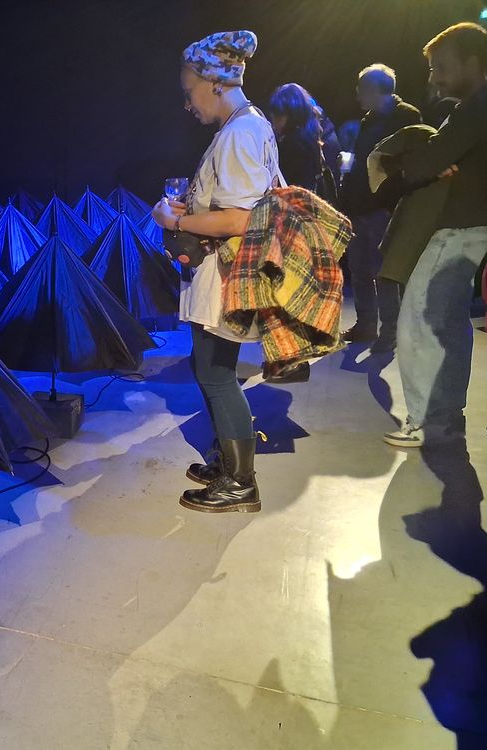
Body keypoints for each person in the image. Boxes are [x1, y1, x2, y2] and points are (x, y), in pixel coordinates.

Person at [150, 30, 282, 514]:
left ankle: (240, 483)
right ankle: (229, 463)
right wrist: (193, 209)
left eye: (190, 92)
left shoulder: (240, 133)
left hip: (227, 273)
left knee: (215, 372)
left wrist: (175, 221)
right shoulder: (248, 125)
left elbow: (240, 219)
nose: (188, 103)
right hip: (225, 269)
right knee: (211, 368)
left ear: (215, 83)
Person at [383, 22, 487, 448]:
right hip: (469, 230)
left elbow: (420, 165)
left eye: (440, 67)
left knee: (419, 323)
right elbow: (431, 161)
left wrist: (417, 161)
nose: (434, 78)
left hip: (458, 230)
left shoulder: (476, 108)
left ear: (473, 63)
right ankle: (445, 419)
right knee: (448, 325)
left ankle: (428, 421)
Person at [340, 63, 423, 352]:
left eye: (361, 89)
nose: (357, 95)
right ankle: (365, 326)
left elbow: (410, 164)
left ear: (375, 89)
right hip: (361, 206)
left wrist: (392, 199)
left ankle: (390, 332)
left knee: (385, 273)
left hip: (385, 207)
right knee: (359, 268)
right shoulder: (369, 119)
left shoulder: (407, 116)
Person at [267, 83, 328, 191]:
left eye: (278, 116)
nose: (274, 123)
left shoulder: (293, 144)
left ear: (292, 114)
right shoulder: (310, 137)